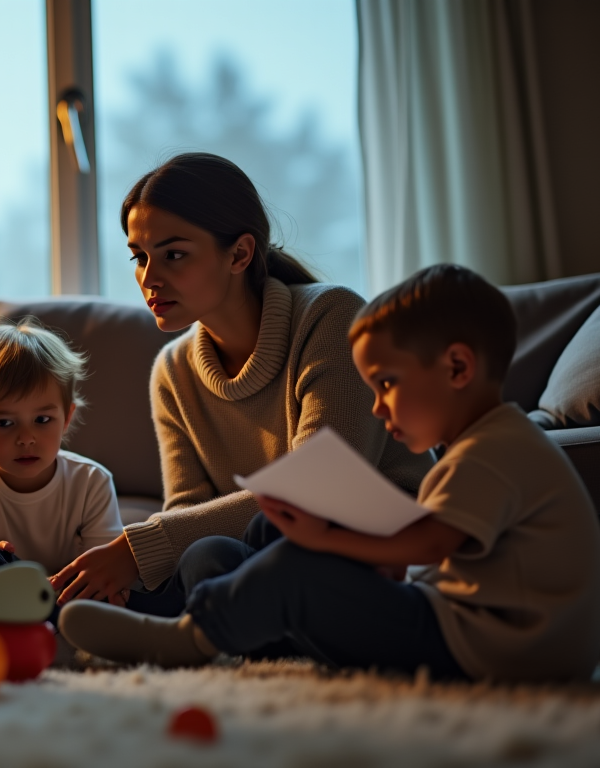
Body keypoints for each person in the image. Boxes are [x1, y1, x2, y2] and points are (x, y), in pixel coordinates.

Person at [59, 265, 600, 682]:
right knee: (253, 541)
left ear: (458, 368)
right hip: (481, 633)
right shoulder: (488, 445)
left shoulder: (494, 450)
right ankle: (253, 614)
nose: (376, 408)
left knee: (298, 568)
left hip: (500, 651)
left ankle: (193, 636)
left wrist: (325, 540)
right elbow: (436, 555)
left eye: (387, 385)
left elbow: (429, 541)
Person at [51, 153, 430, 616]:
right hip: (264, 555)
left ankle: (188, 629)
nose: (149, 278)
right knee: (206, 559)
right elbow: (188, 511)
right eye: (140, 257)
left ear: (240, 253)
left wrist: (138, 549)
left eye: (173, 254)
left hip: (383, 545)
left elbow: (324, 487)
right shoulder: (173, 370)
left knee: (225, 556)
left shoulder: (332, 317)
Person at [0, 319, 123, 614]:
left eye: (42, 420)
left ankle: (54, 622)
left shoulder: (91, 481)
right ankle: (34, 622)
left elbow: (103, 568)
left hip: (65, 596)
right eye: (5, 423)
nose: (26, 439)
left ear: (67, 418)